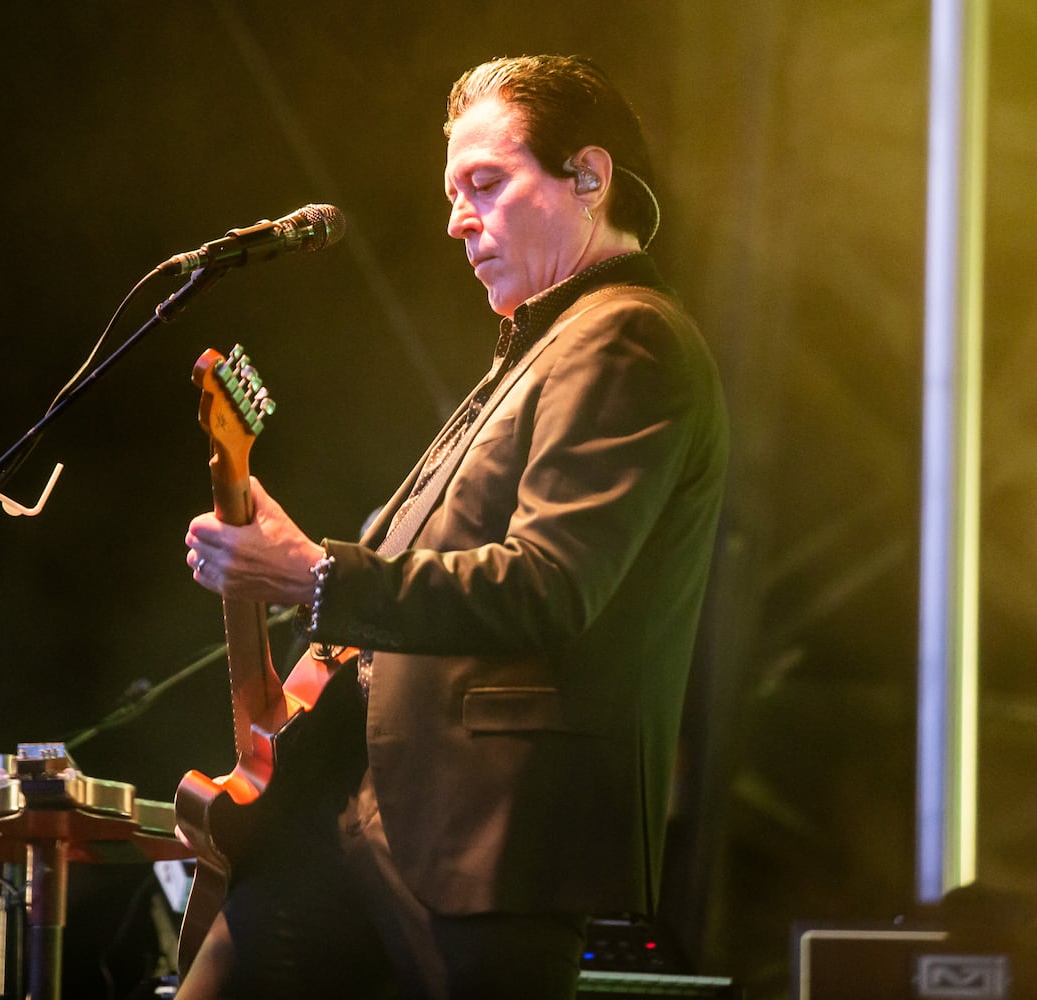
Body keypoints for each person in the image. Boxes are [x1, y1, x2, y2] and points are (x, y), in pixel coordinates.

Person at [177, 53, 729, 999]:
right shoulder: (538, 348)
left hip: (484, 828)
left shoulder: (626, 334)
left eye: (485, 182)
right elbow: (417, 581)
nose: (455, 219)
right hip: (363, 805)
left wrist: (312, 575)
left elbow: (550, 585)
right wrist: (293, 562)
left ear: (589, 177)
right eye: (451, 191)